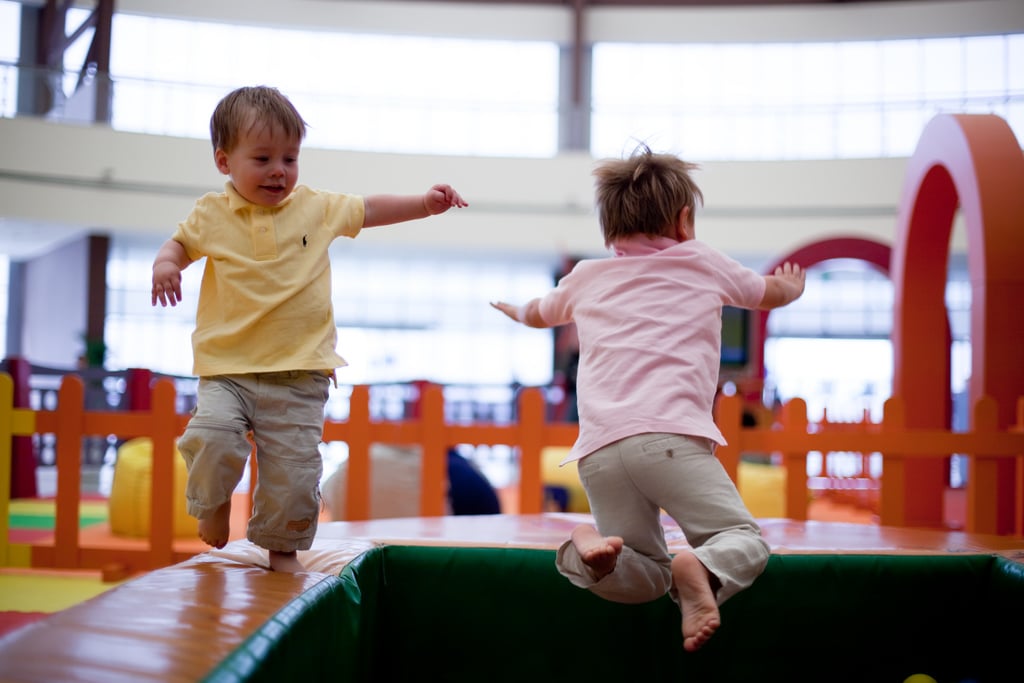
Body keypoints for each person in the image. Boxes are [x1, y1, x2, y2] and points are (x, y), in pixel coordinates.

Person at [491, 144, 805, 652]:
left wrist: (515, 310)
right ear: (685, 221)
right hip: (671, 439)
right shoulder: (701, 262)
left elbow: (541, 312)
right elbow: (762, 293)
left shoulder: (585, 277)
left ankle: (584, 553)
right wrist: (790, 289)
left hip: (598, 453)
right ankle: (702, 567)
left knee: (644, 573)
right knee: (742, 539)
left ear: (610, 230)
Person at [151, 85, 468, 572]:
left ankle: (282, 550)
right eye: (262, 158)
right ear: (224, 161)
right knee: (212, 437)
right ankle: (211, 503)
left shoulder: (314, 208)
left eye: (290, 157)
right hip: (227, 369)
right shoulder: (210, 214)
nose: (279, 170)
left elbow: (372, 209)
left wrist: (424, 203)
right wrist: (165, 265)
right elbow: (177, 245)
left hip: (300, 373)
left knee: (294, 475)